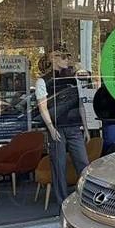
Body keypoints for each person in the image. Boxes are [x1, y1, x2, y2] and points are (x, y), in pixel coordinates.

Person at [35, 50, 89, 206]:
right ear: (54, 59)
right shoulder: (43, 81)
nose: (67, 60)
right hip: (57, 128)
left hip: (74, 126)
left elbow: (80, 104)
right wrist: (51, 128)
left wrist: (85, 127)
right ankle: (62, 203)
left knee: (83, 164)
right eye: (64, 57)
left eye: (68, 57)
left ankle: (86, 198)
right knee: (59, 166)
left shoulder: (72, 78)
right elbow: (43, 107)